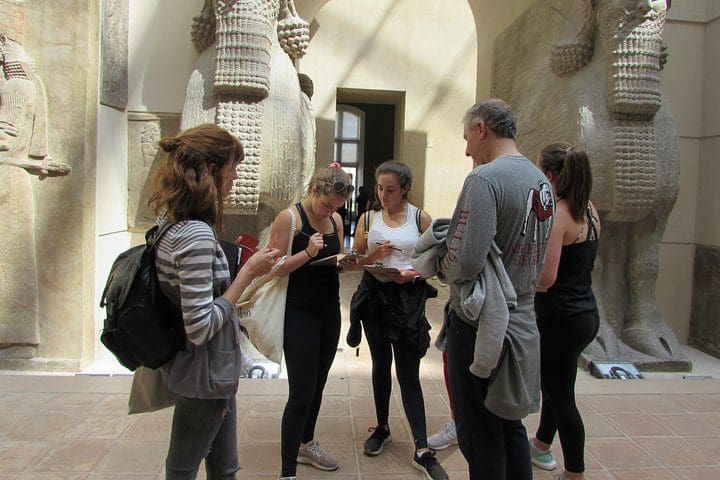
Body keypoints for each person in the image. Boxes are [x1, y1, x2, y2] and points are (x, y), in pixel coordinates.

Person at [148, 123, 280, 479]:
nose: (235, 177)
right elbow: (200, 326)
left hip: (212, 374)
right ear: (210, 170)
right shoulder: (195, 234)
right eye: (232, 168)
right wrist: (248, 272)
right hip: (203, 377)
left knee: (224, 469)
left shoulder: (171, 222)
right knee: (182, 469)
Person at [438, 99, 554, 480]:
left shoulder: (484, 179)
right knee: (509, 424)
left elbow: (466, 260)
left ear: (482, 129)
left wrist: (441, 265)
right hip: (521, 317)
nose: (467, 148)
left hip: (479, 324)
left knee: (479, 433)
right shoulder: (542, 180)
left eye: (468, 137)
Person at [342, 160, 449, 480]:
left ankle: (421, 447)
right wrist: (370, 259)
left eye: (390, 190)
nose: (383, 195)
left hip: (407, 300)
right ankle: (383, 427)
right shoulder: (368, 218)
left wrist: (411, 273)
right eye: (379, 188)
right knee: (379, 365)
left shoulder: (420, 218)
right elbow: (356, 258)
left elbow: (434, 263)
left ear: (405, 189)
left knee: (408, 372)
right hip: (374, 297)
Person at [268, 162, 353, 480]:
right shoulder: (290, 218)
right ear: (314, 190)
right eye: (327, 204)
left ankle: (307, 443)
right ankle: (287, 470)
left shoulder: (337, 220)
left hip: (329, 313)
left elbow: (334, 262)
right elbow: (270, 269)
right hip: (298, 313)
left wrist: (345, 263)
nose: (330, 211)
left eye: (337, 207)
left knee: (317, 386)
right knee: (301, 393)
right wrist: (306, 253)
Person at [529, 144, 601, 480]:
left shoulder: (560, 215)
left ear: (551, 175)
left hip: (560, 318)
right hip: (585, 313)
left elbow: (547, 279)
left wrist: (520, 281)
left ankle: (575, 473)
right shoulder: (589, 210)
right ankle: (541, 444)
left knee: (560, 398)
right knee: (558, 386)